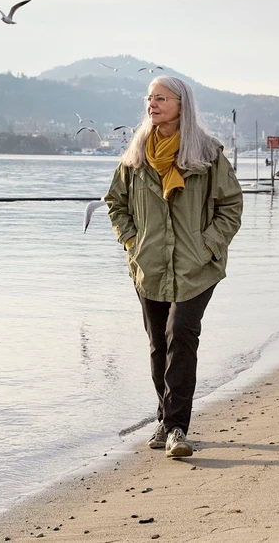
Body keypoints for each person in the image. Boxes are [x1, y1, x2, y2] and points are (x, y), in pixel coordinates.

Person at [104, 75, 243, 458]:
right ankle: (165, 419)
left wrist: (207, 245)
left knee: (181, 335)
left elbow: (230, 206)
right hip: (149, 265)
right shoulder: (135, 155)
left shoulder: (209, 154)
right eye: (149, 98)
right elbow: (115, 204)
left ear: (182, 104)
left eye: (162, 98)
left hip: (196, 267)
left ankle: (178, 427)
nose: (153, 104)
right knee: (157, 345)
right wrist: (132, 242)